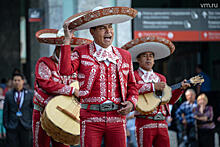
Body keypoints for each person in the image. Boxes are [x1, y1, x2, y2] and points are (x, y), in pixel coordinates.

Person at [60, 6, 138, 147]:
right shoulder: (81, 51)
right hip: (90, 117)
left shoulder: (124, 55)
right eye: (102, 28)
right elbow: (65, 71)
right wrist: (66, 41)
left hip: (117, 117)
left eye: (110, 27)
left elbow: (132, 85)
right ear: (92, 31)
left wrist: (132, 102)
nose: (108, 31)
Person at [121, 36, 190, 147]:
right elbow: (132, 90)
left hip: (162, 122)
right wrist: (152, 87)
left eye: (151, 56)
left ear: (154, 60)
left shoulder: (161, 78)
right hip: (144, 121)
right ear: (138, 60)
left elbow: (169, 100)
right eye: (144, 56)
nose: (148, 59)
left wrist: (180, 89)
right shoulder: (133, 76)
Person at [33, 28, 92, 147]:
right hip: (42, 112)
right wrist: (72, 90)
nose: (69, 54)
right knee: (40, 144)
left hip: (65, 113)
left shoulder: (74, 68)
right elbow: (46, 84)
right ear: (58, 48)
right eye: (67, 50)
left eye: (71, 51)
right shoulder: (44, 62)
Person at [3, 73, 33, 147]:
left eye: (19, 80)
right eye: (15, 80)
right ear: (12, 82)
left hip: (26, 126)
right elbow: (5, 111)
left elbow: (33, 110)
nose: (17, 82)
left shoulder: (30, 93)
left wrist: (31, 124)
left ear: (23, 81)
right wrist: (6, 125)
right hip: (12, 126)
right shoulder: (8, 94)